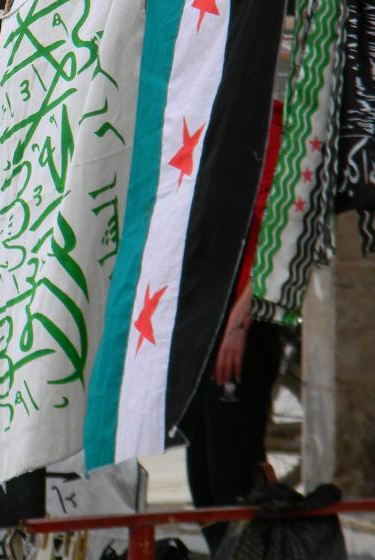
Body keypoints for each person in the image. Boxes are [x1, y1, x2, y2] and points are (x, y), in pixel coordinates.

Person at [181, 101, 287, 554]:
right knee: (203, 476)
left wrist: (240, 321)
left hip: (243, 320)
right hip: (201, 323)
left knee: (231, 479)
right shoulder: (204, 118)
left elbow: (278, 234)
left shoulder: (270, 123)